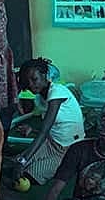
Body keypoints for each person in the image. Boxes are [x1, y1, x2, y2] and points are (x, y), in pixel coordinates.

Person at [9, 58, 85, 187]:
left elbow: (45, 130)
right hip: (51, 142)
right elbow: (53, 127)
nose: (31, 85)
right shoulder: (40, 98)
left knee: (30, 175)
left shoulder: (57, 92)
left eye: (34, 79)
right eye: (27, 82)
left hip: (70, 148)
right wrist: (32, 130)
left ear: (44, 75)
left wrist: (23, 160)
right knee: (14, 164)